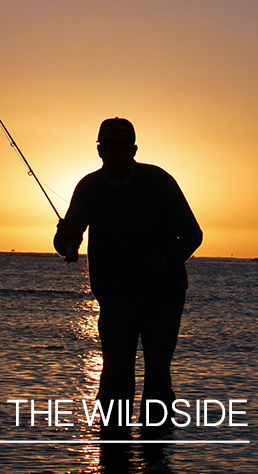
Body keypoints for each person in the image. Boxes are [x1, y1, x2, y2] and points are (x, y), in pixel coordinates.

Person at [54, 117, 202, 430]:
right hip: (115, 299)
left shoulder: (159, 182)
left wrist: (168, 256)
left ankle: (156, 452)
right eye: (109, 148)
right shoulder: (89, 187)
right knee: (114, 376)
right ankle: (111, 450)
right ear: (99, 150)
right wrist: (65, 238)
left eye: (122, 148)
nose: (116, 154)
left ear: (133, 149)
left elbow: (192, 233)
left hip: (162, 296)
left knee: (157, 374)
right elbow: (67, 245)